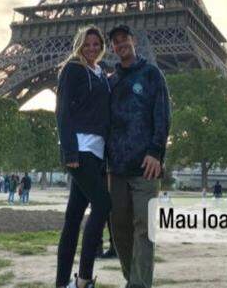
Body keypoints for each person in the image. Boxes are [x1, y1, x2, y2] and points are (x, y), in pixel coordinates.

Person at [106, 24, 171, 288]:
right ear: (113, 48)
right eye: (116, 41)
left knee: (144, 228)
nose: (121, 44)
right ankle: (133, 279)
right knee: (119, 229)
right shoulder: (110, 81)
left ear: (133, 40)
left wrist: (156, 152)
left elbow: (162, 114)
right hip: (117, 168)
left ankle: (138, 285)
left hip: (146, 167)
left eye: (124, 39)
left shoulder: (151, 74)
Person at [55, 26, 114, 288]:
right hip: (79, 149)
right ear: (80, 45)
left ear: (102, 46)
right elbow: (62, 110)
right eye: (87, 44)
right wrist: (69, 150)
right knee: (103, 204)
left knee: (73, 218)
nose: (91, 48)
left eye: (96, 44)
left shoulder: (101, 73)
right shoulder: (73, 69)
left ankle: (61, 283)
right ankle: (84, 279)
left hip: (97, 151)